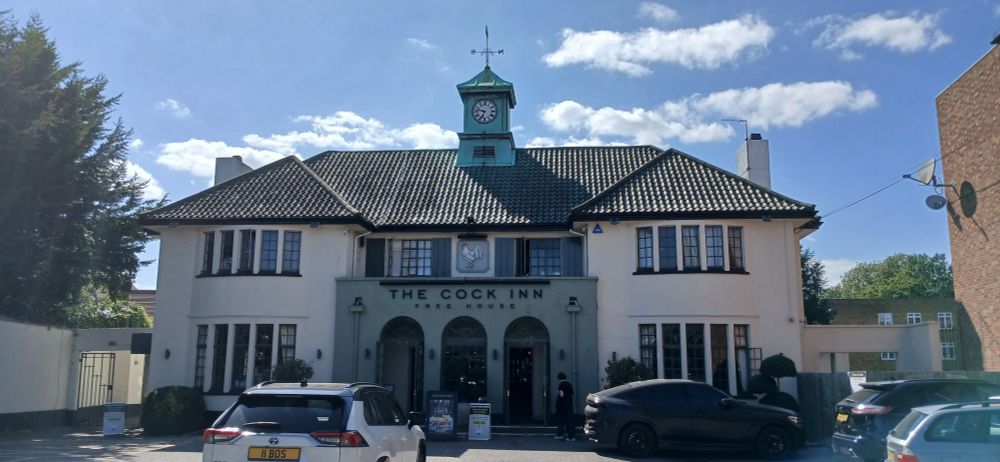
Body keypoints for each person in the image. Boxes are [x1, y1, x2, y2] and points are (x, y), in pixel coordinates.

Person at [554, 371, 575, 441]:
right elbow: (572, 393)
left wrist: (558, 404)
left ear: (559, 378)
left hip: (562, 405)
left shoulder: (561, 385)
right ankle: (571, 436)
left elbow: (561, 395)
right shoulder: (569, 384)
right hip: (569, 405)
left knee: (561, 421)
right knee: (569, 421)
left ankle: (560, 435)